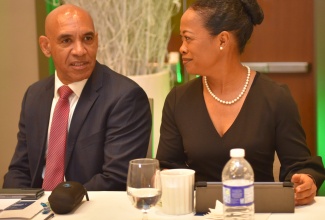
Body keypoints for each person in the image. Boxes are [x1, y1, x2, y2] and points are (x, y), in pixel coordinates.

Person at [156, 0, 325, 205]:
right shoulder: (178, 99)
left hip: (259, 212)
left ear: (223, 40)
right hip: (196, 213)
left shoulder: (275, 98)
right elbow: (168, 167)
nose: (182, 48)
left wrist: (305, 181)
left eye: (188, 38)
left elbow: (298, 166)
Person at [3, 4, 151, 191]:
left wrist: (55, 207)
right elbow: (20, 170)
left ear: (96, 40)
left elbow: (115, 178)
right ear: (46, 47)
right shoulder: (34, 95)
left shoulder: (125, 97)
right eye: (66, 40)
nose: (80, 50)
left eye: (87, 38)